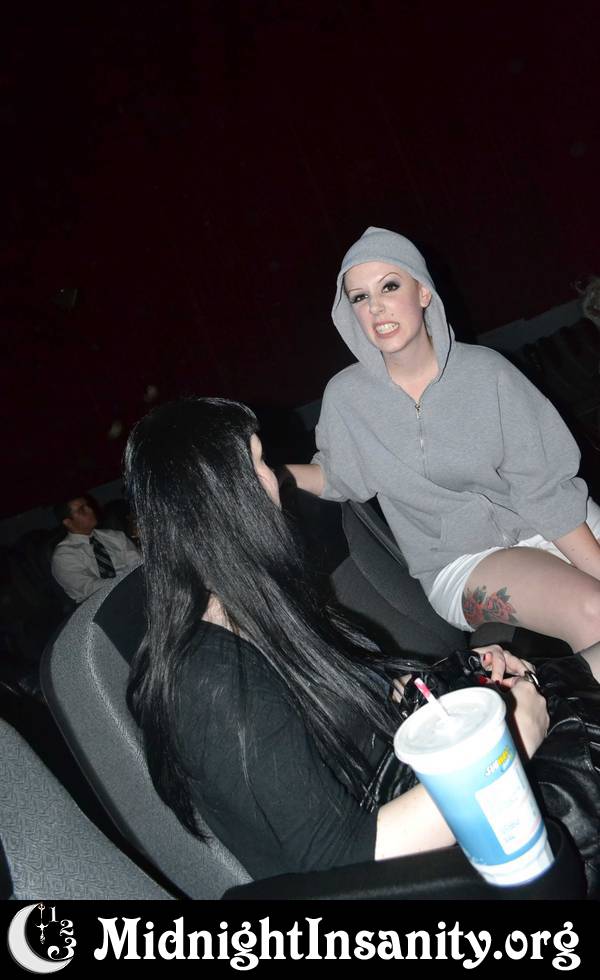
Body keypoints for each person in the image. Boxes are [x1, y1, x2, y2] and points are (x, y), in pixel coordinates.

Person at [124, 396, 549, 880]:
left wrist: (462, 678)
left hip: (422, 796)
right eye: (259, 462)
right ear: (224, 497)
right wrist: (506, 748)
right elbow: (339, 862)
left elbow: (353, 705)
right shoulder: (208, 682)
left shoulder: (262, 609)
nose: (275, 478)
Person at [286, 227, 600, 667]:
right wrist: (265, 472)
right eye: (359, 297)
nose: (375, 307)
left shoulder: (487, 373)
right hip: (462, 562)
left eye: (389, 286)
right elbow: (338, 474)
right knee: (593, 609)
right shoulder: (347, 397)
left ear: (423, 292)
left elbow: (544, 490)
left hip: (554, 520)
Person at [51, 495, 140, 604]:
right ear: (68, 522)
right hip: (100, 604)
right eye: (82, 510)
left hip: (136, 590)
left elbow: (138, 563)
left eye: (88, 506)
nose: (90, 510)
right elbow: (89, 588)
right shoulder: (63, 555)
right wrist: (127, 582)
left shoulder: (115, 536)